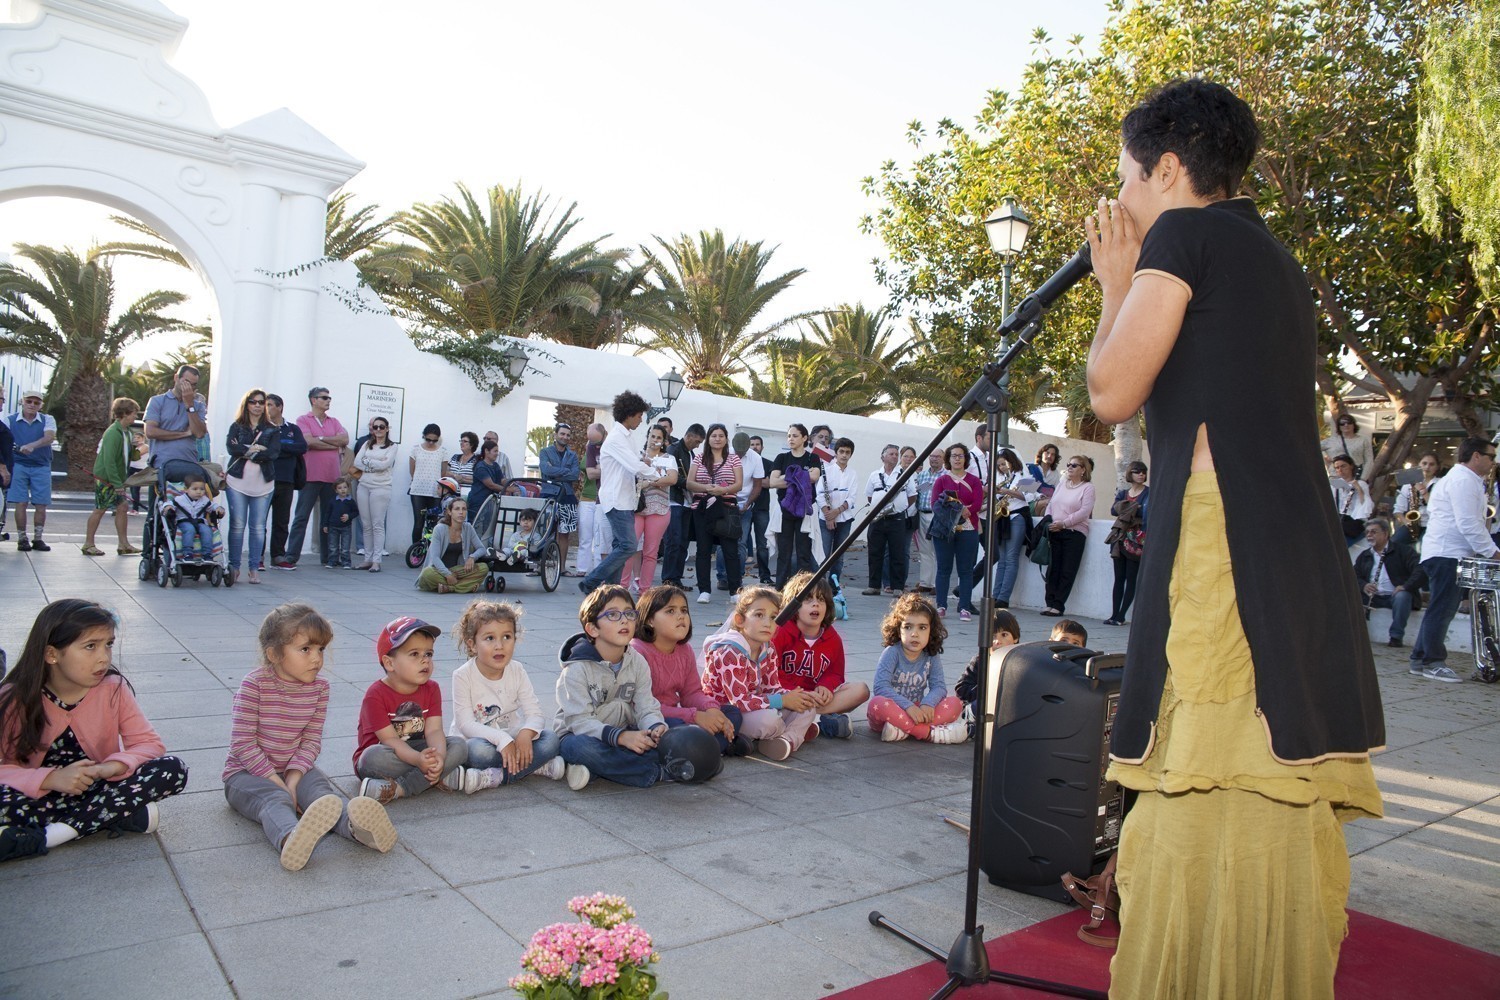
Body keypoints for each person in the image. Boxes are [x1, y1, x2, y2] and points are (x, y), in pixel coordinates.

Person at [1085, 78, 1383, 999]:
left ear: (1168, 168)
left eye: (1127, 176)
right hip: (1292, 546)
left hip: (1222, 544)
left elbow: (1111, 392)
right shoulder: (1275, 259)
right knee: (1265, 770)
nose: (1121, 199)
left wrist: (1115, 287)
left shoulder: (1182, 236)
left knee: (1201, 761)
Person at [0, 599, 188, 864]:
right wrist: (50, 779)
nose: (103, 657)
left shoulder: (112, 688)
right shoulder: (14, 697)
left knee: (172, 769)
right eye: (90, 646)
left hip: (98, 787)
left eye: (108, 644)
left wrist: (109, 768)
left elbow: (149, 744)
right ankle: (118, 815)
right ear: (52, 654)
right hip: (39, 794)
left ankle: (50, 835)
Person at [223, 604, 397, 871]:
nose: (316, 658)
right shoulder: (253, 685)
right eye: (305, 649)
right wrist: (280, 784)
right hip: (246, 774)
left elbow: (311, 740)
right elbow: (243, 744)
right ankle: (291, 838)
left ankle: (358, 829)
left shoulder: (320, 688)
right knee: (275, 799)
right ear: (274, 653)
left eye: (321, 649)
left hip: (294, 768)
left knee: (321, 796)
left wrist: (293, 779)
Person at [554, 585, 674, 790]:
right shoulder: (576, 670)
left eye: (629, 613)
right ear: (592, 629)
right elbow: (579, 722)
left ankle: (592, 770)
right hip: (579, 735)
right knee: (583, 749)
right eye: (613, 615)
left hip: (623, 729)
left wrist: (655, 727)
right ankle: (654, 772)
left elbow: (646, 706)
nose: (624, 620)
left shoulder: (638, 662)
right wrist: (620, 738)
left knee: (672, 729)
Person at [354, 617, 471, 803]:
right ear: (389, 663)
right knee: (371, 758)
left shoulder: (432, 688)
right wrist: (418, 760)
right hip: (387, 752)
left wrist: (439, 757)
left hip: (418, 748)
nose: (425, 660)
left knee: (459, 746)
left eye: (429, 654)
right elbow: (390, 739)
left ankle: (401, 788)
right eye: (414, 654)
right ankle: (438, 776)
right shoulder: (375, 695)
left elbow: (434, 730)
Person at [449, 600, 565, 787]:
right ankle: (534, 766)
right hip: (478, 741)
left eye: (506, 637)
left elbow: (535, 713)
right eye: (489, 638)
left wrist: (526, 734)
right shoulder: (462, 675)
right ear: (472, 645)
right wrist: (502, 739)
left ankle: (494, 776)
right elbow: (466, 725)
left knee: (551, 739)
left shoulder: (517, 670)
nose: (499, 645)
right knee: (477, 752)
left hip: (512, 737)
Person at [1410, 436, 1498, 680]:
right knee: (1443, 609)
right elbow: (1468, 524)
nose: (1493, 461)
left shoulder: (1465, 479)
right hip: (1447, 553)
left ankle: (1420, 659)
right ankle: (1433, 662)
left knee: (1440, 607)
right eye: (1491, 456)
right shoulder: (1462, 480)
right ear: (1476, 456)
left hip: (1446, 552)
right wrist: (1493, 552)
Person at [701, 586, 816, 761]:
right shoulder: (728, 652)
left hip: (756, 706)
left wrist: (792, 697)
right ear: (740, 620)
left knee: (807, 706)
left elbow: (771, 687)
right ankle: (793, 733)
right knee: (769, 721)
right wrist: (783, 701)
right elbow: (739, 702)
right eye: (759, 615)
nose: (767, 623)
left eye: (774, 617)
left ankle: (786, 740)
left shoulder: (768, 649)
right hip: (727, 712)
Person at [632, 585, 748, 756]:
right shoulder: (637, 651)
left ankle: (703, 750)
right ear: (649, 620)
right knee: (674, 727)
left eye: (684, 610)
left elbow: (691, 692)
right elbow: (641, 707)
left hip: (679, 714)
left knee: (732, 713)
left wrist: (711, 709)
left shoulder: (684, 650)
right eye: (670, 611)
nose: (681, 616)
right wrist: (695, 716)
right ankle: (715, 747)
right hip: (650, 719)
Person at [772, 571, 870, 739]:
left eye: (821, 600)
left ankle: (812, 718)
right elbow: (771, 672)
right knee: (769, 709)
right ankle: (819, 722)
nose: (815, 604)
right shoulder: (780, 632)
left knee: (861, 690)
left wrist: (826, 686)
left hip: (816, 699)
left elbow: (835, 672)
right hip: (786, 696)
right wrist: (794, 692)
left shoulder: (833, 638)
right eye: (808, 599)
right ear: (793, 606)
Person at [580, 391, 658, 595]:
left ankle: (611, 591)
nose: (641, 420)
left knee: (620, 547)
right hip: (617, 500)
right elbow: (634, 465)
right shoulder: (616, 438)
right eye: (639, 415)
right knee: (628, 546)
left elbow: (635, 461)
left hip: (624, 500)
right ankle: (591, 581)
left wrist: (645, 463)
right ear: (629, 414)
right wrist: (657, 475)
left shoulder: (626, 437)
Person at [868, 593, 964, 743]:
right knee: (877, 704)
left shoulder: (931, 655)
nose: (914, 634)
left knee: (955, 703)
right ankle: (928, 733)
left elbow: (939, 687)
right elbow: (881, 687)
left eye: (922, 628)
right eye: (908, 627)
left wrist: (928, 704)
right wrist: (908, 707)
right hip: (892, 711)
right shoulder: (892, 652)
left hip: (918, 710)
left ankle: (903, 730)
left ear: (931, 631)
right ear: (898, 629)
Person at [281, 387, 349, 568]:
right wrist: (332, 443)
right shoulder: (303, 420)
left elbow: (344, 440)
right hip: (310, 476)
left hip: (332, 477)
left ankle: (328, 557)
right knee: (301, 517)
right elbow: (308, 441)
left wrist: (320, 438)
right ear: (313, 400)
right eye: (324, 398)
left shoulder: (334, 421)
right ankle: (291, 556)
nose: (328, 401)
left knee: (328, 519)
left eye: (329, 398)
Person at [223, 388, 280, 585]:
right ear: (246, 404)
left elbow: (273, 453)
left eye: (261, 402)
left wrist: (247, 451)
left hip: (263, 482)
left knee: (258, 527)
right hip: (237, 481)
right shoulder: (237, 426)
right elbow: (231, 448)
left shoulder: (272, 429)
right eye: (253, 402)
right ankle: (234, 567)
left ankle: (254, 568)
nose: (257, 405)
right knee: (237, 525)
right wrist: (255, 449)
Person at [685, 423, 743, 604]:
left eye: (721, 436)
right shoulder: (699, 458)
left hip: (727, 509)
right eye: (714, 435)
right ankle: (704, 590)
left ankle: (735, 590)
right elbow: (689, 483)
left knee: (730, 551)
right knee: (703, 550)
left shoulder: (733, 459)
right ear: (708, 439)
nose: (717, 439)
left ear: (726, 439)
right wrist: (707, 488)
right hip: (703, 509)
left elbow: (739, 484)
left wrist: (722, 490)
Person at [930, 443, 983, 622]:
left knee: (966, 570)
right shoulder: (941, 481)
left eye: (961, 456)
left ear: (965, 458)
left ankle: (965, 607)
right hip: (945, 530)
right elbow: (935, 504)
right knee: (943, 568)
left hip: (968, 529)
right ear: (948, 459)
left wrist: (966, 511)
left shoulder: (974, 481)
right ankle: (941, 605)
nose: (957, 459)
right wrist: (959, 510)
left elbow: (978, 503)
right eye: (954, 456)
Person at [83, 397, 141, 558]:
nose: (136, 416)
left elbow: (130, 456)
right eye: (134, 413)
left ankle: (123, 544)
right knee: (100, 509)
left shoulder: (127, 432)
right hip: (106, 479)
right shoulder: (113, 433)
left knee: (122, 507)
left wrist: (136, 450)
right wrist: (117, 484)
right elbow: (109, 461)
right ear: (125, 413)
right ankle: (88, 544)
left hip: (116, 479)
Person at [622, 424, 676, 594]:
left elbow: (672, 479)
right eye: (652, 436)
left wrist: (649, 482)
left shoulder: (668, 458)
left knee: (651, 552)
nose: (655, 440)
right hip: (637, 508)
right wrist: (653, 475)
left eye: (659, 437)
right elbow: (627, 476)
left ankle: (644, 590)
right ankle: (622, 587)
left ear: (664, 441)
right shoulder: (637, 456)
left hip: (659, 509)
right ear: (647, 437)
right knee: (629, 548)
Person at [1040, 455, 1096, 617]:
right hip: (1055, 530)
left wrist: (1064, 523)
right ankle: (1049, 603)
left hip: (1074, 533)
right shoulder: (1062, 484)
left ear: (1083, 470)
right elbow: (1051, 504)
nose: (1070, 467)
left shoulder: (1088, 488)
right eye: (1069, 464)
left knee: (1067, 570)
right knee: (1053, 569)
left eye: (1074, 465)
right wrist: (1050, 520)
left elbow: (1084, 511)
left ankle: (1058, 605)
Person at [767, 423, 822, 586]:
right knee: (784, 552)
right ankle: (780, 588)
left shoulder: (813, 458)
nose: (791, 439)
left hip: (804, 510)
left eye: (795, 436)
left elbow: (814, 477)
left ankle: (803, 589)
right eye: (789, 436)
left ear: (804, 438)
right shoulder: (782, 458)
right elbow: (772, 482)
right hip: (785, 509)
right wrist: (801, 476)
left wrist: (788, 476)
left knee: (804, 552)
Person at [1354, 518, 1423, 649]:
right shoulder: (1365, 555)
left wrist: (1405, 586)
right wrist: (1364, 585)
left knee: (1402, 597)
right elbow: (1354, 575)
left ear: (1385, 534)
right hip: (1373, 596)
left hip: (1395, 595)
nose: (1369, 535)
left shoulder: (1403, 551)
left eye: (1373, 532)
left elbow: (1420, 570)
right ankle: (1357, 636)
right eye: (1367, 532)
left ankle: (1396, 637)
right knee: (1352, 598)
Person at [990, 448, 1042, 610]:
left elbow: (1030, 497)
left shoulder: (1024, 476)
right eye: (999, 465)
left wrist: (1008, 492)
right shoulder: (1002, 478)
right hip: (1002, 518)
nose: (1002, 467)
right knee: (1002, 559)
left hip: (1017, 516)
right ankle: (994, 596)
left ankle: (1003, 598)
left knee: (1011, 558)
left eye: (1003, 464)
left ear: (1011, 461)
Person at [7, 388, 56, 551]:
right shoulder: (10, 420)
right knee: (21, 503)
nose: (32, 404)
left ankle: (38, 539)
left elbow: (49, 437)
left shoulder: (48, 419)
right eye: (29, 401)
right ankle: (22, 539)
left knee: (41, 504)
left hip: (41, 465)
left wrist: (32, 445)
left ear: (41, 405)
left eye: (36, 402)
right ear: (22, 401)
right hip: (18, 465)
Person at [864, 444, 916, 595]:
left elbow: (912, 496)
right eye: (891, 454)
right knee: (875, 552)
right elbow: (869, 495)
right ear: (883, 456)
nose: (894, 456)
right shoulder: (875, 475)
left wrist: (900, 506)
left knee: (897, 553)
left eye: (896, 454)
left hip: (897, 519)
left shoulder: (905, 474)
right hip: (878, 519)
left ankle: (897, 587)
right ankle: (874, 586)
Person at [264, 395, 308, 569]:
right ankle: (257, 557)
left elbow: (301, 447)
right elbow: (261, 450)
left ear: (280, 407)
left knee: (281, 521)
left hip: (286, 481)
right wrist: (284, 449)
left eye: (269, 404)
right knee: (260, 521)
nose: (266, 408)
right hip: (264, 480)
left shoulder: (293, 429)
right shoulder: (262, 428)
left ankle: (278, 556)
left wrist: (276, 448)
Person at [1104, 461, 1149, 626]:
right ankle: (1114, 614)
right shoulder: (1123, 493)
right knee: (1119, 578)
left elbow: (1145, 514)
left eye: (1143, 472)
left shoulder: (1148, 493)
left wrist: (1128, 508)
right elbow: (1114, 510)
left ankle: (1121, 616)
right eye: (1137, 471)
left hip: (1137, 539)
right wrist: (1133, 507)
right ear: (1130, 473)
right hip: (1120, 538)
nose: (1141, 474)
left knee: (1131, 578)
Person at [661, 423, 705, 588]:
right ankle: (668, 578)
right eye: (697, 441)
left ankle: (676, 579)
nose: (698, 445)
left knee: (683, 543)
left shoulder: (690, 453)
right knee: (674, 541)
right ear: (690, 435)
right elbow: (670, 475)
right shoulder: (673, 449)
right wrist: (689, 484)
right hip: (674, 501)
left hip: (687, 503)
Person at [350, 416, 397, 572]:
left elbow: (385, 465)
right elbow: (357, 462)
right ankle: (367, 559)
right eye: (375, 427)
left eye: (381, 427)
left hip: (381, 487)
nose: (378, 430)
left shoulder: (392, 447)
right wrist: (374, 464)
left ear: (387, 429)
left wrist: (367, 462)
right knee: (366, 524)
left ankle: (376, 560)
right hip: (364, 485)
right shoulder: (366, 444)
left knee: (377, 524)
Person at [416, 499, 488, 594]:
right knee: (427, 573)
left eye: (464, 509)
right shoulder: (439, 529)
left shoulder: (468, 528)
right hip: (438, 570)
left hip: (457, 571)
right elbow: (435, 557)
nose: (461, 512)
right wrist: (448, 575)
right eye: (457, 509)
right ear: (450, 512)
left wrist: (472, 557)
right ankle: (463, 586)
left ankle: (449, 588)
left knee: (484, 568)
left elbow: (482, 549)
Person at [143, 365, 207, 468]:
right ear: (176, 378)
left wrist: (189, 405)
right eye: (186, 382)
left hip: (189, 463)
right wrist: (184, 434)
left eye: (193, 385)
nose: (189, 387)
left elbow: (199, 433)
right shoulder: (157, 401)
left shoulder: (198, 405)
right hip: (161, 465)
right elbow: (150, 432)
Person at [539, 422, 582, 576]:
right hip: (548, 495)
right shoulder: (545, 452)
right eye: (562, 434)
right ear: (555, 435)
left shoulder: (572, 455)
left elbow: (575, 475)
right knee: (544, 531)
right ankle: (539, 567)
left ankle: (562, 568)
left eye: (568, 435)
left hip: (567, 496)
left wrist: (555, 472)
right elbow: (545, 470)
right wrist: (565, 472)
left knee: (564, 533)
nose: (565, 437)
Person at [817, 437, 857, 583]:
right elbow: (820, 495)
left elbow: (852, 498)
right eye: (841, 451)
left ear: (851, 454)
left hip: (844, 520)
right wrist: (829, 515)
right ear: (836, 452)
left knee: (838, 556)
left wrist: (837, 512)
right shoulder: (826, 471)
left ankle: (834, 587)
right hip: (825, 519)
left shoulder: (853, 474)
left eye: (847, 452)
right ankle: (820, 585)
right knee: (824, 554)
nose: (844, 455)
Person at [405, 422, 448, 548]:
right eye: (428, 439)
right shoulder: (416, 449)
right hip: (418, 491)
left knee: (432, 524)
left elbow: (443, 472)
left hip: (435, 492)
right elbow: (412, 470)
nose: (431, 442)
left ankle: (430, 550)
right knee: (419, 523)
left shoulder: (443, 452)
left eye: (434, 440)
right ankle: (416, 551)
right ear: (423, 436)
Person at [577, 423, 607, 577]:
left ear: (604, 434)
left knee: (600, 537)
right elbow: (589, 472)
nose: (593, 444)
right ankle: (582, 568)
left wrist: (598, 469)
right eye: (590, 440)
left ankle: (598, 570)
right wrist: (600, 469)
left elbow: (611, 470)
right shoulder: (590, 447)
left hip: (602, 499)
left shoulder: (610, 447)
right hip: (587, 497)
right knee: (585, 535)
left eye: (596, 441)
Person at [912, 448, 944, 593]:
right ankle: (926, 583)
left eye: (937, 456)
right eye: (932, 456)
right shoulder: (922, 475)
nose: (934, 459)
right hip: (922, 514)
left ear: (943, 459)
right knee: (924, 550)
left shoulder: (946, 476)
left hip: (937, 516)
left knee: (938, 550)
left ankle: (938, 584)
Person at [1391, 453, 1440, 545]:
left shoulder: (1440, 484)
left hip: (1431, 525)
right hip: (1411, 524)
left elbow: (1437, 507)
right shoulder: (1409, 484)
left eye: (1431, 464)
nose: (1427, 467)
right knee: (1393, 543)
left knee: (1422, 546)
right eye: (1424, 463)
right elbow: (1398, 509)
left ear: (1437, 467)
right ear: (1419, 465)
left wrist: (1423, 491)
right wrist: (1406, 522)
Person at [743, 434, 772, 583]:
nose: (755, 447)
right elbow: (761, 482)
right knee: (741, 543)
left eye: (757, 444)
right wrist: (760, 480)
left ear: (762, 447)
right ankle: (737, 577)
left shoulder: (768, 464)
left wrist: (753, 480)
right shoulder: (743, 462)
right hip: (745, 507)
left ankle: (765, 576)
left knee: (762, 545)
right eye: (752, 444)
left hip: (762, 509)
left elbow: (770, 483)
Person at [1329, 453, 1373, 550]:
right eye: (1337, 468)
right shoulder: (1335, 485)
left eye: (1343, 466)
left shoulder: (1361, 484)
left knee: (1340, 546)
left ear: (1351, 466)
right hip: (1340, 521)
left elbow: (1365, 505)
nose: (1340, 470)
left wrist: (1358, 488)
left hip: (1355, 522)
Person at [171, 473, 219, 559]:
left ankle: (207, 553)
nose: (199, 492)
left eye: (202, 489)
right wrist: (168, 506)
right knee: (189, 529)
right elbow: (169, 503)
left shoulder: (204, 500)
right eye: (195, 489)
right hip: (184, 521)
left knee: (207, 530)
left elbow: (212, 505)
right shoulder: (180, 499)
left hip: (199, 521)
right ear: (186, 489)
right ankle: (187, 552)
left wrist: (218, 508)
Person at [1320, 413, 1375, 482]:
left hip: (1356, 477)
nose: (1346, 425)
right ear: (1339, 426)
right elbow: (1312, 450)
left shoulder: (1363, 440)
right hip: (1335, 477)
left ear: (1354, 424)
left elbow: (1369, 460)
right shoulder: (1330, 441)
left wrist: (1363, 479)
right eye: (1342, 423)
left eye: (1349, 422)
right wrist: (1325, 456)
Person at [322, 479, 358, 569]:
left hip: (346, 527)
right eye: (340, 488)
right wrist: (325, 525)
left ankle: (346, 562)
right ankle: (332, 561)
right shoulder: (332, 501)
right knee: (333, 546)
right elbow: (327, 513)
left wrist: (349, 516)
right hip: (333, 527)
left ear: (348, 488)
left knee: (345, 547)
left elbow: (356, 512)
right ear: (336, 490)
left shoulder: (350, 501)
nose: (343, 490)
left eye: (345, 487)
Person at [466, 438, 506, 517]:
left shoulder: (495, 465)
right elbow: (491, 485)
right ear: (487, 451)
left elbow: (502, 480)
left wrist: (511, 483)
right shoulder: (481, 467)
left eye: (497, 451)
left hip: (490, 503)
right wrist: (507, 489)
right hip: (478, 503)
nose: (497, 454)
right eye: (495, 451)